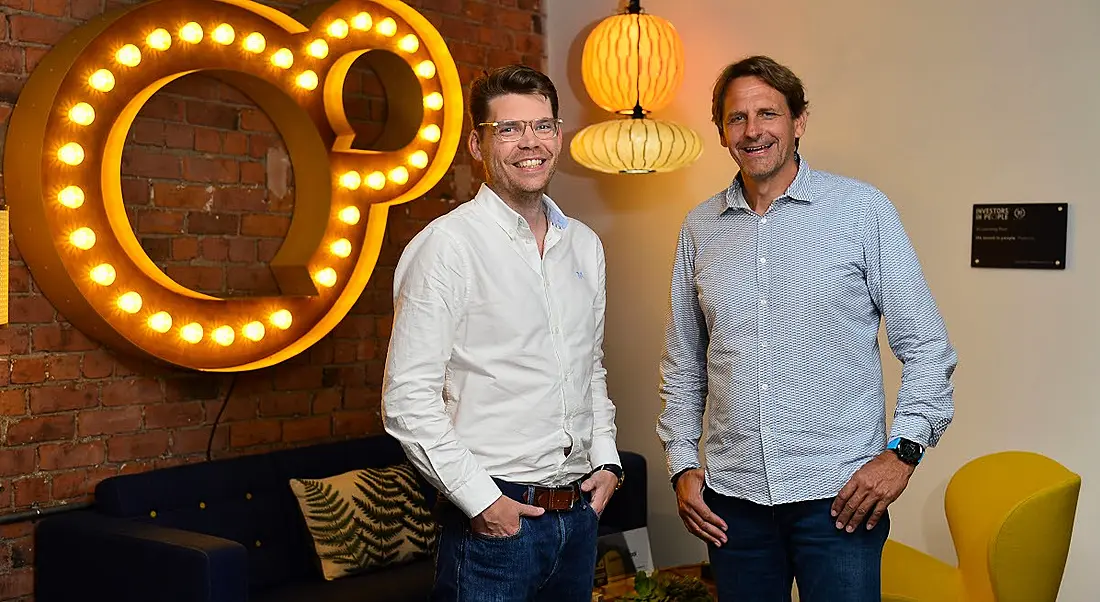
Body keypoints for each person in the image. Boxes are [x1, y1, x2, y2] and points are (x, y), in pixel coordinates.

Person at [656, 55, 957, 602]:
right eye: (737, 118)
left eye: (768, 113)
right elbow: (683, 361)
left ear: (798, 121)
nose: (753, 131)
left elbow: (928, 347)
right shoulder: (700, 227)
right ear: (722, 131)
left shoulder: (861, 210)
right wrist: (681, 464)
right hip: (733, 506)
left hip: (839, 502)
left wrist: (902, 452)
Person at [381, 64, 623, 602]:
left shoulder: (584, 245)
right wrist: (482, 502)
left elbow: (590, 368)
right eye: (508, 129)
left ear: (558, 136)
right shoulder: (446, 247)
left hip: (578, 514)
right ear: (477, 143)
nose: (528, 143)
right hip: (494, 521)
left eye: (541, 126)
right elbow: (406, 400)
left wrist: (607, 460)